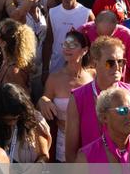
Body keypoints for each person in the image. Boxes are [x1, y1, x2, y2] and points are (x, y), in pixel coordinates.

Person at [65, 36, 130, 162]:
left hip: (127, 173)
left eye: (121, 62)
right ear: (95, 63)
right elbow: (70, 153)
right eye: (110, 63)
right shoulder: (78, 97)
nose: (117, 67)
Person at [38, 29, 92, 162]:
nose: (67, 49)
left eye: (72, 45)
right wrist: (43, 100)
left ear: (84, 50)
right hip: (63, 141)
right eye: (65, 45)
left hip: (88, 140)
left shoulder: (93, 76)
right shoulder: (54, 78)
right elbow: (44, 100)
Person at [0, 83, 50, 163]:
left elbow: (44, 155)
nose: (13, 122)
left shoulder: (34, 120)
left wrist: (39, 165)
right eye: (8, 120)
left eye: (17, 117)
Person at [42, 0, 94, 77]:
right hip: (56, 66)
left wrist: (89, 68)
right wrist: (45, 69)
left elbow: (93, 44)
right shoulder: (53, 12)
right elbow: (49, 41)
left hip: (78, 67)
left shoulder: (87, 13)